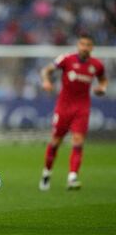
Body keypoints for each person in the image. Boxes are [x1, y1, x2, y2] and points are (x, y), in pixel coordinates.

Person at [38, 34, 108, 191]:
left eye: (88, 45)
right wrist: (46, 81)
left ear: (92, 47)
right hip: (63, 107)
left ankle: (72, 177)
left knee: (78, 141)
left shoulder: (97, 65)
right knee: (55, 142)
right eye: (82, 44)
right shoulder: (66, 59)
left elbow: (103, 79)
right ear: (78, 45)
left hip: (82, 108)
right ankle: (47, 173)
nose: (85, 47)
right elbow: (46, 70)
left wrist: (102, 87)